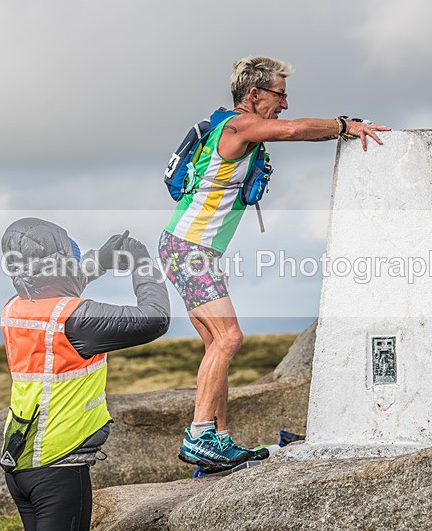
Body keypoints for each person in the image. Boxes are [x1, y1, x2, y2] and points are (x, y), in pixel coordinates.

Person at [159, 55, 390, 471]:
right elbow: (295, 129)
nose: (284, 104)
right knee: (229, 338)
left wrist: (342, 131)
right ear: (254, 94)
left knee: (217, 343)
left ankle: (219, 438)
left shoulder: (234, 126)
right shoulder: (238, 124)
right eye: (280, 95)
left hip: (187, 246)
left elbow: (296, 130)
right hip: (189, 247)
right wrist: (344, 126)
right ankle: (198, 437)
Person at [0, 217, 169, 531]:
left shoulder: (16, 308)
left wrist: (101, 260)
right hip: (58, 467)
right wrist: (143, 266)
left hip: (21, 463)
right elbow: (155, 318)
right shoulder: (76, 320)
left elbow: (53, 280)